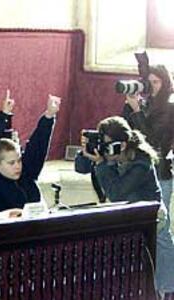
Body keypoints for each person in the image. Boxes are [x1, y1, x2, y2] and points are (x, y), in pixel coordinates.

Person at [76, 116, 174, 298]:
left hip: (153, 216)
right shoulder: (110, 154)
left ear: (121, 145)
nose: (104, 150)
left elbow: (117, 193)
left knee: (161, 251)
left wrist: (101, 164)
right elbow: (80, 168)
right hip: (129, 216)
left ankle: (167, 291)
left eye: (107, 145)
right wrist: (87, 148)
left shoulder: (141, 162)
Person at [122, 65, 174, 233]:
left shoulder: (170, 106)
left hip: (160, 172)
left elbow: (152, 139)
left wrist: (137, 111)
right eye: (149, 82)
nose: (152, 86)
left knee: (160, 230)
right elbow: (126, 131)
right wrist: (129, 107)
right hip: (139, 170)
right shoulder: (145, 104)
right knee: (138, 230)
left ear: (165, 82)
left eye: (156, 82)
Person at [0, 94, 60, 213]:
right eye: (11, 163)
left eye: (19, 160)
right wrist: (3, 115)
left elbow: (37, 147)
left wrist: (49, 115)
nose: (18, 166)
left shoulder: (26, 174)